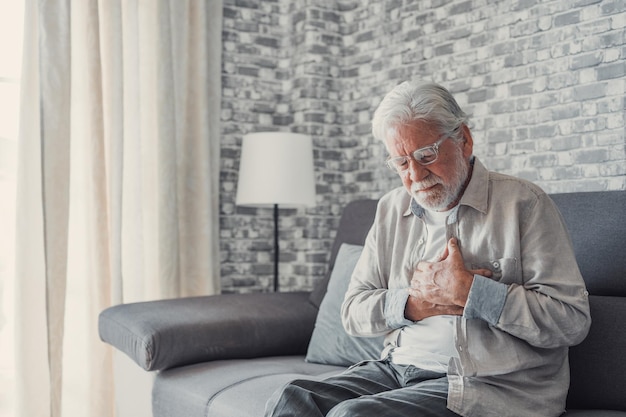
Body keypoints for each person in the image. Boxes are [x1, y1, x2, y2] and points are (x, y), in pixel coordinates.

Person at [264, 80, 591, 417]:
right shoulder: (392, 209)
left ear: (463, 139)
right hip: (398, 369)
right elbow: (353, 312)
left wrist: (471, 292)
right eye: (402, 163)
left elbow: (571, 321)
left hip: (489, 383)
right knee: (293, 398)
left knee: (354, 415)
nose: (416, 175)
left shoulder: (524, 204)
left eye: (426, 155)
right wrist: (415, 303)